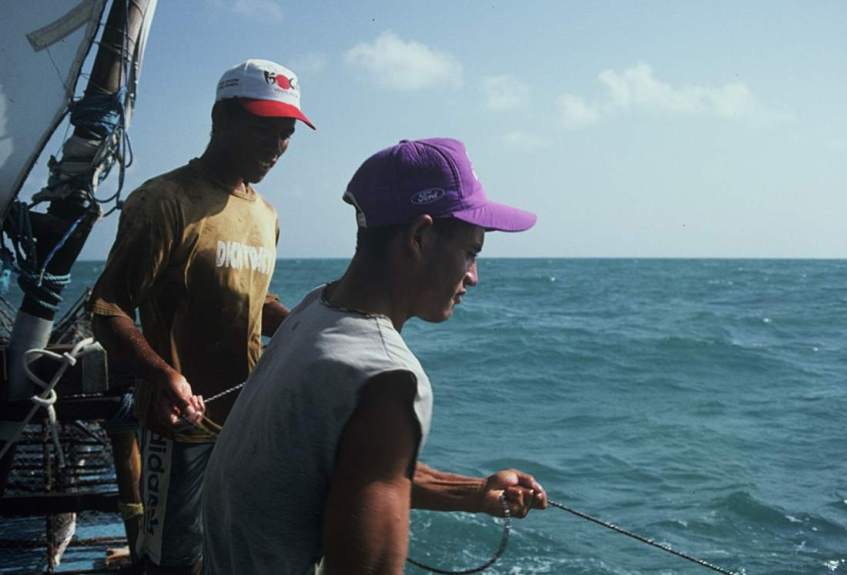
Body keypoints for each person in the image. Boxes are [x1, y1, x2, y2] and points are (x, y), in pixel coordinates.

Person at [202, 137, 547, 574]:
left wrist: (475, 493)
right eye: (470, 252)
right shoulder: (386, 378)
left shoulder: (314, 311)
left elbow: (354, 463)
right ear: (420, 236)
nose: (473, 276)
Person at [89, 59, 315, 574]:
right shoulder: (163, 201)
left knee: (240, 554)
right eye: (264, 127)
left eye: (286, 132)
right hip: (181, 429)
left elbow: (254, 300)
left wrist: (308, 324)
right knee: (173, 562)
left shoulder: (266, 215)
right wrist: (162, 374)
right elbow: (107, 308)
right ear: (220, 118)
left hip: (251, 423)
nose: (277, 145)